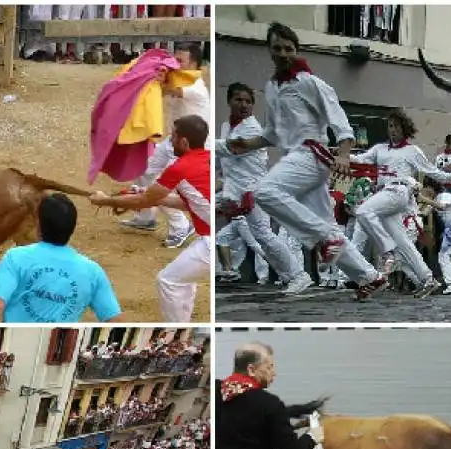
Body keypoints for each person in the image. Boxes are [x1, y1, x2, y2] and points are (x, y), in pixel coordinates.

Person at [228, 22, 388, 301]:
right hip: (295, 158)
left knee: (265, 193)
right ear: (269, 50)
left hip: (311, 155)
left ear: (296, 50)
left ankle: (327, 240)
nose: (283, 53)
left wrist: (344, 153)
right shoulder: (272, 87)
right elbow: (272, 134)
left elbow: (339, 121)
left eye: (288, 48)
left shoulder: (310, 82)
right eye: (277, 48)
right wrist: (246, 145)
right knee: (326, 225)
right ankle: (369, 277)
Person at [90, 115, 211, 322]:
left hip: (211, 242)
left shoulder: (180, 167)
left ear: (184, 142)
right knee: (181, 279)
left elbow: (145, 201)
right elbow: (186, 203)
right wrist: (143, 194)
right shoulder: (207, 158)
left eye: (173, 136)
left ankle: (179, 327)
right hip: (210, 237)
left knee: (168, 280)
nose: (169, 140)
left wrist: (107, 201)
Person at [350, 109, 451, 298]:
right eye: (390, 126)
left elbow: (432, 172)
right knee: (403, 242)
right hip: (386, 197)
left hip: (399, 192)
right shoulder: (379, 149)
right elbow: (360, 159)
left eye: (396, 126)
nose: (392, 130)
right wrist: (340, 155)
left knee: (363, 212)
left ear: (404, 129)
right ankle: (427, 278)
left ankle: (388, 253)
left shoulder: (412, 151)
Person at [215, 81, 309, 293]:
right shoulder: (227, 126)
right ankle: (290, 275)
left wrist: (202, 143)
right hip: (236, 189)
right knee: (260, 237)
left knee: (264, 235)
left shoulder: (252, 128)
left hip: (254, 190)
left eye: (248, 101)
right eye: (239, 100)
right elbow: (228, 165)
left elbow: (232, 150)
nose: (244, 105)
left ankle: (298, 275)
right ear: (229, 101)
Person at [0, 193, 123, 323]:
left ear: (39, 226)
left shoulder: (15, 257)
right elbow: (115, 319)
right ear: (72, 229)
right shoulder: (93, 271)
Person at [121, 42, 211, 248]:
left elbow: (169, 89)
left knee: (163, 184)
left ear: (195, 66)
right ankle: (145, 216)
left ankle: (180, 226)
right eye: (174, 59)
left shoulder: (195, 86)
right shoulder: (178, 78)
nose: (176, 65)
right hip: (175, 141)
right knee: (145, 169)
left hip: (193, 149)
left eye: (181, 62)